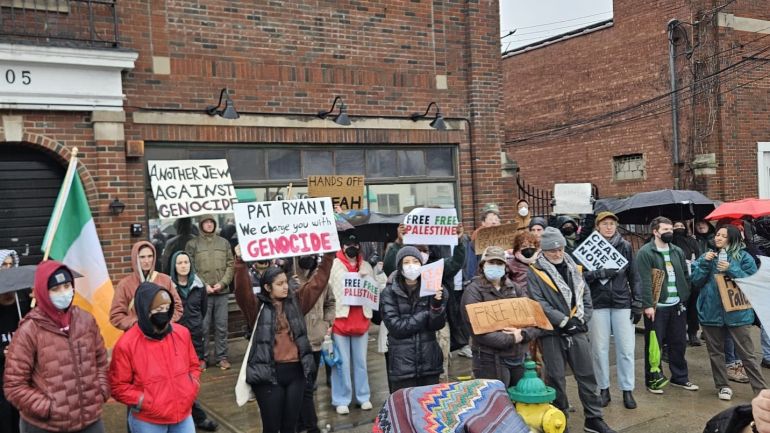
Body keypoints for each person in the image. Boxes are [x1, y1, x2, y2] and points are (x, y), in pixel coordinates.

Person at [234, 251, 335, 433]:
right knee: (272, 427)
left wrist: (328, 256)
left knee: (291, 427)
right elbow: (242, 292)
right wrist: (240, 262)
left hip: (296, 373)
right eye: (279, 284)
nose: (285, 287)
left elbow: (317, 283)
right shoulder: (256, 308)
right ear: (267, 287)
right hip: (268, 376)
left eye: (286, 282)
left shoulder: (296, 301)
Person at [527, 228, 616, 433]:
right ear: (544, 250)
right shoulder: (535, 272)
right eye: (552, 250)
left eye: (560, 248)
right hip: (551, 332)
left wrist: (583, 319)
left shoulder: (574, 267)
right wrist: (564, 321)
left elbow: (585, 295)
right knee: (555, 377)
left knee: (586, 374)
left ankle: (593, 418)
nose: (557, 253)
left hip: (577, 329)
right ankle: (560, 418)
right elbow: (538, 303)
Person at [4, 261, 110, 433]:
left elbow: (100, 361)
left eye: (67, 286)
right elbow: (14, 385)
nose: (64, 293)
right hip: (47, 426)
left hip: (90, 420)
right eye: (55, 289)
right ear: (43, 292)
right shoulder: (29, 330)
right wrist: (47, 408)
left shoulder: (86, 320)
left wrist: (101, 390)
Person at [110, 283, 200, 433]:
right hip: (149, 420)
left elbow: (194, 366)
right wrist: (144, 401)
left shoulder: (182, 334)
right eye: (158, 310)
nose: (163, 314)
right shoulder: (126, 344)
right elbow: (118, 386)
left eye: (166, 309)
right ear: (145, 310)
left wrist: (191, 387)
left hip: (183, 415)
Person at [691, 225, 768, 401]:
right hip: (711, 313)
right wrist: (704, 263)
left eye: (723, 236)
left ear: (732, 239)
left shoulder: (744, 257)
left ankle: (760, 390)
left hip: (737, 313)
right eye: (717, 234)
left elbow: (751, 281)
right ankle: (723, 386)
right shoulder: (707, 256)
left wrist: (731, 268)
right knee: (715, 353)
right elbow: (695, 281)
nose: (717, 238)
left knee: (747, 354)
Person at [582, 211, 641, 410]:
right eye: (605, 223)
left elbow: (634, 275)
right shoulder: (588, 246)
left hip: (621, 301)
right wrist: (599, 273)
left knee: (626, 349)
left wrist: (638, 302)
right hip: (598, 302)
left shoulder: (625, 246)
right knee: (599, 349)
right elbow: (580, 276)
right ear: (598, 226)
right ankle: (604, 388)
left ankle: (627, 389)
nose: (609, 227)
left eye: (612, 224)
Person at [462, 246, 541, 388]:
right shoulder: (473, 291)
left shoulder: (516, 289)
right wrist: (511, 338)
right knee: (496, 403)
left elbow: (535, 322)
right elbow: (477, 330)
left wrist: (522, 334)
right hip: (488, 360)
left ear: (505, 267)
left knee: (519, 402)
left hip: (518, 357)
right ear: (482, 265)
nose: (495, 267)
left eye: (499, 264)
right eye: (491, 263)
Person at [636, 216, 699, 394]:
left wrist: (685, 294)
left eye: (670, 229)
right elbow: (644, 281)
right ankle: (653, 380)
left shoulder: (677, 251)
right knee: (654, 345)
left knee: (678, 343)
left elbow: (685, 275)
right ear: (655, 232)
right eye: (665, 230)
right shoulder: (646, 252)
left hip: (677, 305)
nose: (669, 232)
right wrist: (648, 305)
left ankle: (680, 377)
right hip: (657, 307)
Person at [327, 232, 386, 415]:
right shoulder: (333, 265)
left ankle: (363, 396)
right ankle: (341, 398)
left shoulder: (366, 265)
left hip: (361, 319)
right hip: (340, 320)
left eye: (354, 244)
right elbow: (327, 291)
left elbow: (379, 287)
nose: (351, 248)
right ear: (342, 247)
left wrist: (373, 274)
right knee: (341, 363)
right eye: (347, 245)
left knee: (361, 362)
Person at [380, 246, 448, 392]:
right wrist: (425, 314)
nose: (412, 265)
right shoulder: (389, 293)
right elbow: (396, 327)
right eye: (407, 262)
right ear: (400, 266)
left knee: (429, 409)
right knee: (405, 410)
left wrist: (436, 306)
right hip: (402, 366)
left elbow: (437, 324)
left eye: (416, 261)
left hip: (429, 363)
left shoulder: (431, 287)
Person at [168, 251, 218, 431]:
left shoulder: (199, 286)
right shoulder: (169, 287)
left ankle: (191, 414)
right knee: (182, 378)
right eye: (179, 262)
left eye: (186, 262)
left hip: (194, 337)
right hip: (174, 338)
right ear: (174, 265)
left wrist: (195, 325)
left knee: (191, 378)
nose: (183, 265)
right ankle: (197, 416)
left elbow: (203, 310)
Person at [185, 215, 234, 370]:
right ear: (201, 225)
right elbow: (190, 268)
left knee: (221, 326)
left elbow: (230, 265)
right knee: (202, 327)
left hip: (222, 292)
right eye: (205, 222)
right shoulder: (192, 244)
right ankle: (202, 358)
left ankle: (222, 357)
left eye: (211, 222)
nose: (208, 225)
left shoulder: (224, 243)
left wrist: (223, 283)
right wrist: (204, 285)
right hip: (201, 293)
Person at [293, 254, 335, 433]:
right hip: (295, 343)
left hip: (316, 341)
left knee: (309, 385)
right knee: (300, 387)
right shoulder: (290, 278)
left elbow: (330, 303)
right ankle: (304, 425)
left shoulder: (322, 279)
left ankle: (308, 425)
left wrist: (326, 322)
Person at [110, 241, 184, 331]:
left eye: (150, 256)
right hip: (136, 336)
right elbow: (116, 316)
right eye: (142, 257)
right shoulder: (125, 284)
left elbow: (177, 307)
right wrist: (137, 323)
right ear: (135, 258)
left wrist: (163, 322)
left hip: (161, 335)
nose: (147, 261)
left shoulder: (165, 280)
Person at [1, 249, 30, 433]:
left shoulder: (23, 302)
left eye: (12, 265)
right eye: (4, 265)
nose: (9, 269)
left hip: (21, 378)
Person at [672, 220, 704, 347]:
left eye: (681, 226)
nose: (679, 228)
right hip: (676, 280)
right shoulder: (670, 242)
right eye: (676, 226)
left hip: (692, 279)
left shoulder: (692, 241)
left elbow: (699, 255)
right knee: (679, 308)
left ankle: (692, 333)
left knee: (693, 308)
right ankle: (680, 333)